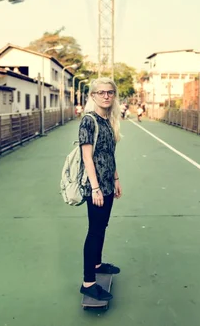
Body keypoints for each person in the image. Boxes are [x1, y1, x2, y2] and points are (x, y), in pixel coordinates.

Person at [77, 77, 123, 301]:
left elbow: (109, 154)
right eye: (101, 92)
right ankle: (88, 282)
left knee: (102, 226)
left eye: (110, 92)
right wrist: (95, 188)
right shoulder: (89, 121)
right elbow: (87, 156)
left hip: (106, 184)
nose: (106, 96)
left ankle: (97, 263)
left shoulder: (108, 121)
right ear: (93, 96)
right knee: (94, 231)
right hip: (94, 186)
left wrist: (115, 178)